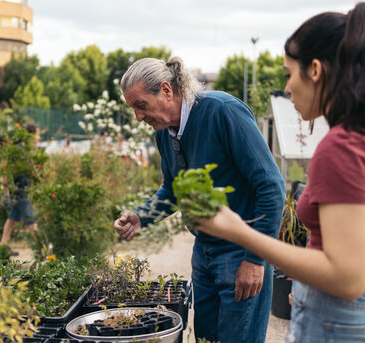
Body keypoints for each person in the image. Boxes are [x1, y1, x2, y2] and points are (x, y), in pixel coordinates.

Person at [195, 2, 365, 342]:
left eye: (289, 74)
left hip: (341, 327)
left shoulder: (344, 147)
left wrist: (239, 232)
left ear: (315, 70)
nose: (287, 89)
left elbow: (347, 278)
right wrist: (315, 289)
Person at [113, 56, 286, 343]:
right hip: (204, 254)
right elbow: (173, 189)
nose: (138, 117)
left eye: (140, 105)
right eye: (133, 109)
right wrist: (141, 216)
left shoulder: (223, 112)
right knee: (205, 338)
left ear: (166, 90)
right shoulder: (164, 134)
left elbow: (271, 187)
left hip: (242, 251)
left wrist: (255, 260)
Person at [0, 123, 40, 248]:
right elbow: (8, 170)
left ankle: (2, 247)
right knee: (32, 222)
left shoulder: (25, 150)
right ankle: (42, 251)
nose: (38, 138)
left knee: (11, 219)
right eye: (37, 135)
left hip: (18, 190)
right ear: (31, 135)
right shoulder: (20, 151)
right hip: (21, 190)